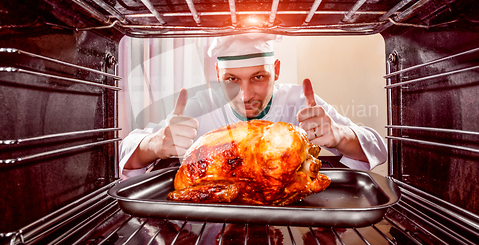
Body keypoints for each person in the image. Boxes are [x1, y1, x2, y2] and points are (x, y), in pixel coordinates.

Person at [119, 33, 387, 179]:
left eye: (259, 77)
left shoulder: (299, 104)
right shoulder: (200, 108)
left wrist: (340, 136)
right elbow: (126, 152)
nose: (245, 95)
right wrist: (154, 145)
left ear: (277, 70)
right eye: (232, 80)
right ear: (217, 75)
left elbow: (377, 148)